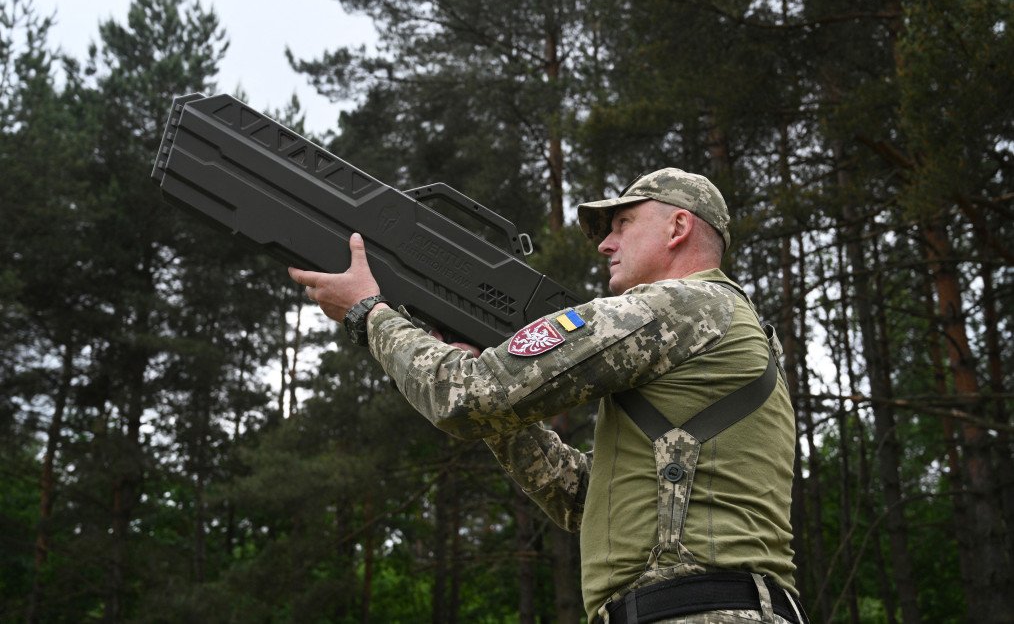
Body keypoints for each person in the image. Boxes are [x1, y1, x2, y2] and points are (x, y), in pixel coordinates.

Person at [289, 167, 807, 623]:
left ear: (678, 227)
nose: (605, 243)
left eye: (624, 223)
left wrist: (369, 313)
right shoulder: (731, 328)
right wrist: (501, 407)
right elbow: (583, 499)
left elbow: (466, 397)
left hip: (696, 613)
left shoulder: (688, 306)